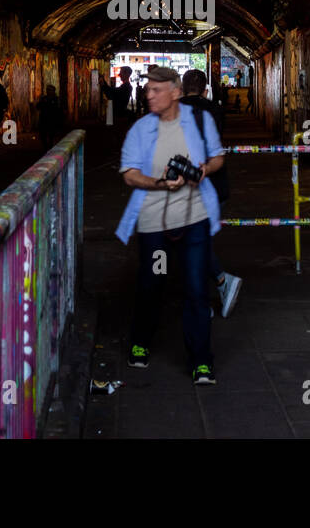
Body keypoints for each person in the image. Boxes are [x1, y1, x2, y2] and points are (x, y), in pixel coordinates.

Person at [116, 65, 225, 385]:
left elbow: (219, 157)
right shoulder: (139, 130)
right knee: (151, 284)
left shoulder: (201, 122)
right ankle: (139, 342)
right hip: (153, 223)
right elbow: (129, 174)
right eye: (147, 89)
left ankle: (201, 361)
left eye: (155, 90)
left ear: (175, 92)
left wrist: (203, 170)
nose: (148, 95)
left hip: (194, 220)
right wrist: (160, 183)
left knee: (196, 290)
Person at [180, 70, 241, 319]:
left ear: (183, 88)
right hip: (216, 184)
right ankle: (212, 288)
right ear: (205, 89)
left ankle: (219, 282)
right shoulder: (215, 110)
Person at [36, 85, 65, 151]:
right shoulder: (44, 98)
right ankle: (46, 147)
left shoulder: (56, 99)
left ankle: (50, 147)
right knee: (43, 135)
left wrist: (60, 121)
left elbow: (60, 110)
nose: (48, 91)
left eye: (50, 90)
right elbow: (38, 106)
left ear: (53, 91)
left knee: (51, 135)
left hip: (52, 120)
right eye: (47, 90)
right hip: (44, 120)